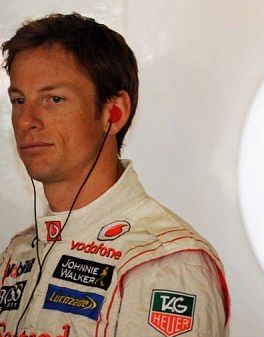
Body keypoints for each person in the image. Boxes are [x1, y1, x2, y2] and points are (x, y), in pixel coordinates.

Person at [0, 13, 230, 337]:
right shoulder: (18, 252)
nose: (27, 120)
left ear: (115, 112)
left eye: (54, 99)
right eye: (19, 100)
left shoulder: (165, 262)